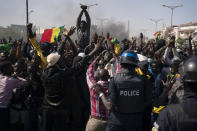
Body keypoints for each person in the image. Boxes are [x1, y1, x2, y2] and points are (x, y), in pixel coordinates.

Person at [94, 50, 152, 131]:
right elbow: (149, 102)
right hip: (135, 123)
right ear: (136, 63)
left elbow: (109, 106)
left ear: (121, 62)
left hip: (116, 124)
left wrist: (100, 93)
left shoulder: (114, 80)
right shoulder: (144, 80)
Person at [153, 56, 197, 131]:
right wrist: (167, 86)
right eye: (171, 66)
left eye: (173, 65)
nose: (172, 67)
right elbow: (169, 79)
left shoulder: (181, 77)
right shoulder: (172, 75)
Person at [0, 61, 28, 131]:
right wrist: (17, 77)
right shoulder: (10, 80)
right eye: (11, 67)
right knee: (4, 125)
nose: (13, 68)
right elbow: (25, 82)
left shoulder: (1, 77)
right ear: (5, 69)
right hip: (4, 108)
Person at [86, 54, 110, 131]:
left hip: (95, 122)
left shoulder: (93, 87)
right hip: (108, 122)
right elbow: (118, 71)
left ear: (98, 77)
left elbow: (89, 72)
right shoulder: (113, 87)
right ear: (108, 76)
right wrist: (116, 58)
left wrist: (96, 59)